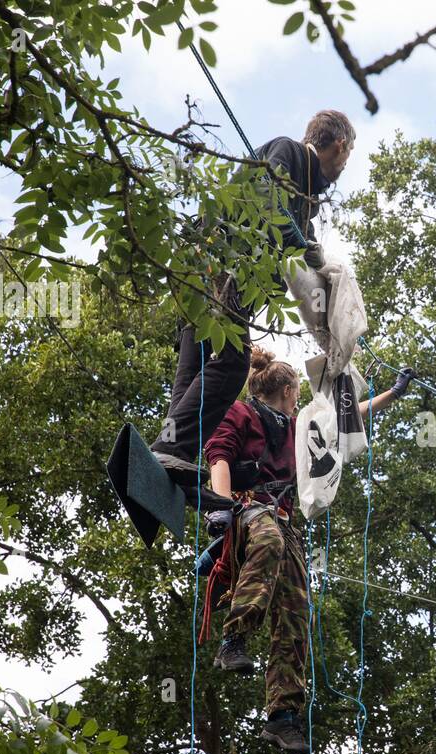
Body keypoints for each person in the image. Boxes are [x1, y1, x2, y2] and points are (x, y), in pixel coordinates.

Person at [202, 345, 412, 754]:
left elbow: (343, 423)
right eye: (296, 392)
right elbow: (219, 455)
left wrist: (394, 394)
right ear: (286, 389)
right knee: (270, 540)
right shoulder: (243, 414)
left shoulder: (298, 427)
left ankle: (282, 716)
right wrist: (221, 508)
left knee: (297, 608)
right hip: (246, 511)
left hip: (281, 521)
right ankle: (234, 638)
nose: (298, 398)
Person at [150, 110, 357, 484]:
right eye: (347, 157)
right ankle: (171, 451)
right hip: (215, 264)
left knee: (195, 366)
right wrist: (299, 242)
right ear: (339, 145)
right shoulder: (290, 152)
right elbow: (264, 194)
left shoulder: (303, 205)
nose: (343, 168)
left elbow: (301, 267)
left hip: (202, 271)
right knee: (231, 364)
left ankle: (166, 451)